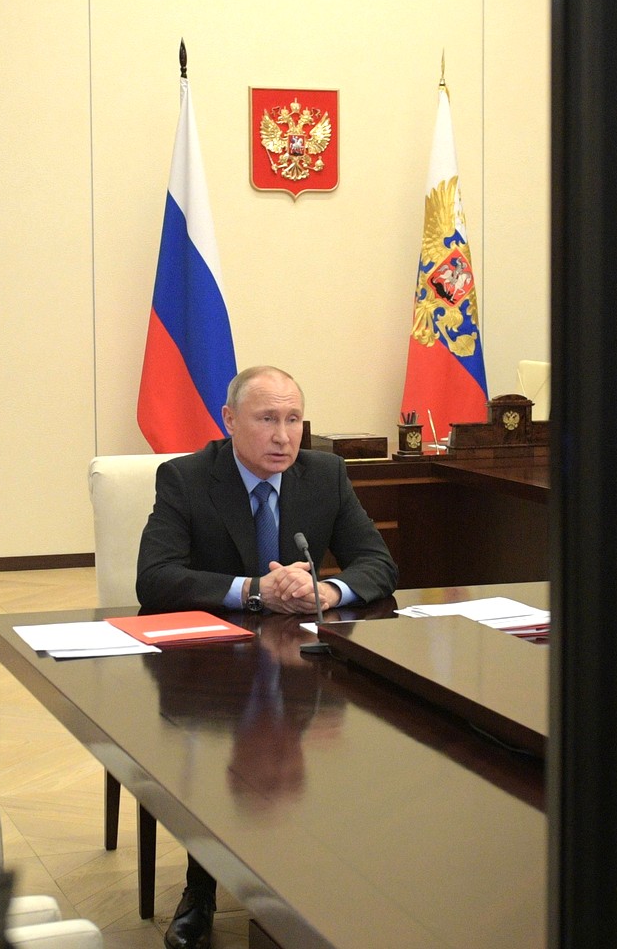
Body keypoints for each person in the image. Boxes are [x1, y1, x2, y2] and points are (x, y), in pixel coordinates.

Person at [135, 365, 397, 949]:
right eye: (267, 419)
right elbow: (155, 580)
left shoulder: (325, 475)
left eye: (293, 419)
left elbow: (378, 563)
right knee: (220, 758)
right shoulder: (184, 477)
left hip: (297, 664)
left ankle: (311, 877)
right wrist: (253, 590)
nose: (284, 436)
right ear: (229, 421)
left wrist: (328, 591)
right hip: (207, 663)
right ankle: (199, 889)